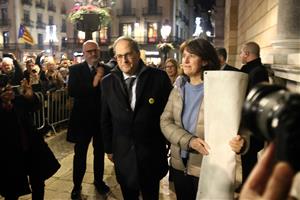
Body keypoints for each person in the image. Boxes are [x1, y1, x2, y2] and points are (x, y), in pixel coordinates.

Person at [160, 38, 245, 200]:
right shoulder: (179, 87)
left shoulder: (221, 88)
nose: (184, 61)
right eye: (184, 55)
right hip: (179, 165)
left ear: (205, 60)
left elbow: (241, 126)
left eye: (191, 56)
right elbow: (165, 121)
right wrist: (189, 141)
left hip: (207, 167)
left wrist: (242, 142)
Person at [100, 36, 173, 200]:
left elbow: (170, 114)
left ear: (138, 54)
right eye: (119, 56)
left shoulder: (158, 78)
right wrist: (109, 148)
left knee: (151, 194)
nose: (123, 60)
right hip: (123, 153)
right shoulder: (107, 82)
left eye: (128, 54)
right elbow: (105, 118)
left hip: (151, 152)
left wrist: (169, 143)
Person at [0, 77, 60, 200]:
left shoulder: (18, 100)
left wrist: (31, 96)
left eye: (10, 87)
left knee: (38, 181)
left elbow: (35, 106)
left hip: (32, 147)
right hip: (10, 152)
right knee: (12, 187)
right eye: (5, 89)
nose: (10, 91)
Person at [67, 40, 111, 199]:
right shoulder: (75, 70)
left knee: (99, 153)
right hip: (82, 120)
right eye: (89, 51)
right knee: (80, 155)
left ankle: (98, 182)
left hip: (101, 120)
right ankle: (76, 186)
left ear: (99, 52)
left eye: (95, 51)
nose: (93, 54)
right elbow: (73, 91)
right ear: (84, 53)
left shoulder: (108, 69)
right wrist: (95, 80)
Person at [239, 41, 269, 189]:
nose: (240, 56)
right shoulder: (252, 69)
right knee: (246, 156)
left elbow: (256, 98)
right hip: (249, 122)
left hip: (252, 123)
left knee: (249, 156)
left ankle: (249, 186)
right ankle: (247, 184)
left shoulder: (257, 71)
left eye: (241, 53)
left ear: (246, 53)